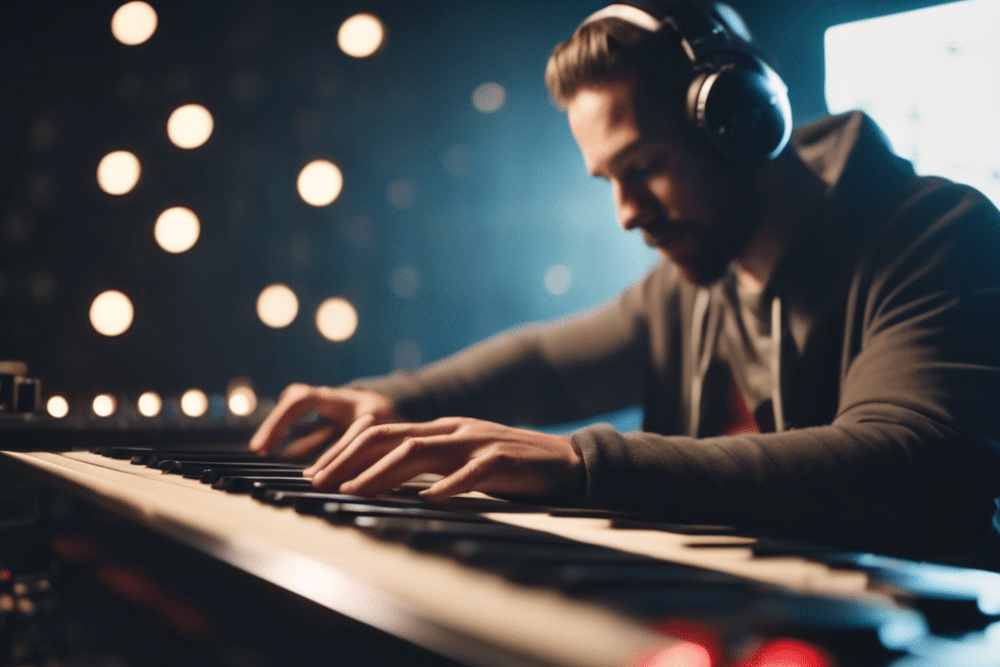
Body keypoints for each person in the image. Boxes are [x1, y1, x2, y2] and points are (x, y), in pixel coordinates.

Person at [250, 0, 1000, 562]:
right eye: (609, 179)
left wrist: (583, 464)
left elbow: (910, 453)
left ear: (739, 122)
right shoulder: (692, 286)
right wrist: (394, 401)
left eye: (643, 168)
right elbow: (543, 364)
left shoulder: (937, 233)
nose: (627, 214)